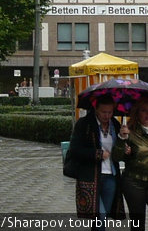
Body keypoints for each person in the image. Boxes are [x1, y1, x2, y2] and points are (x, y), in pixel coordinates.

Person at [67, 94, 124, 229]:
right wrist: (97, 154)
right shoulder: (84, 124)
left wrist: (123, 138)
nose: (107, 115)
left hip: (111, 176)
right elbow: (74, 150)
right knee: (100, 215)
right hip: (90, 177)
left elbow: (118, 153)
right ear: (96, 109)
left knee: (101, 218)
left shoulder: (115, 124)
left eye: (110, 112)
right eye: (104, 112)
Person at [113, 96, 148, 230]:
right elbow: (116, 157)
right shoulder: (129, 131)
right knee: (137, 222)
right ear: (137, 113)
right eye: (144, 110)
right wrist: (122, 140)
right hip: (134, 182)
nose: (147, 114)